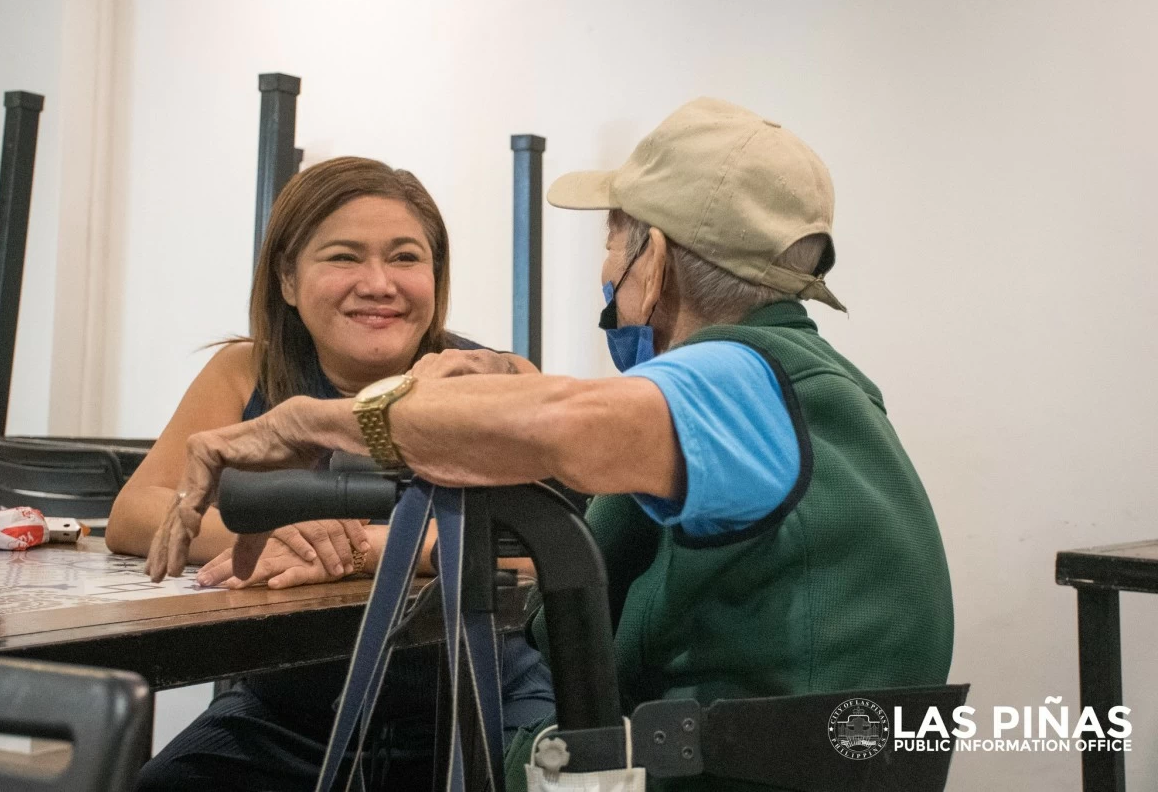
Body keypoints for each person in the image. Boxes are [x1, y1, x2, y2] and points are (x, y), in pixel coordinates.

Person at [148, 99, 954, 791]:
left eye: (612, 240)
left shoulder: (737, 381)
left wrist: (304, 422)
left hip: (728, 768)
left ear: (655, 260)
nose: (605, 268)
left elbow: (559, 426)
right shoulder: (801, 380)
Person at [108, 156, 554, 791]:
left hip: (479, 709)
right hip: (288, 717)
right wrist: (273, 534)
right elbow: (137, 512)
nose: (378, 283)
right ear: (287, 279)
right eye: (344, 257)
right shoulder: (244, 372)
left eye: (405, 257)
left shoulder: (492, 378)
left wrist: (362, 550)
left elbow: (538, 549)